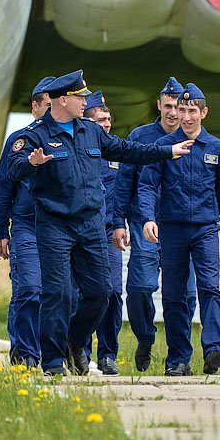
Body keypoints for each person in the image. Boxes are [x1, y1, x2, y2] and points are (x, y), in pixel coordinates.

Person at [6, 70, 193, 376]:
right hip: (54, 224)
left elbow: (127, 150)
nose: (85, 102)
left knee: (101, 293)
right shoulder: (36, 134)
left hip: (91, 224)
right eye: (80, 97)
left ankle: (75, 340)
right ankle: (53, 362)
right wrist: (31, 163)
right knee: (58, 293)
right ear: (63, 100)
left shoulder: (90, 131)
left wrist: (167, 151)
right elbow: (13, 169)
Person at [136, 83, 220, 376]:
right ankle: (178, 358)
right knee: (174, 295)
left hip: (206, 229)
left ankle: (214, 349)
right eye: (182, 110)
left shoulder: (217, 149)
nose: (186, 117)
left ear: (203, 113)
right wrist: (147, 218)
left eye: (192, 111)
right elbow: (146, 185)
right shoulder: (165, 147)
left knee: (209, 288)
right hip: (172, 229)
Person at [110, 77, 198, 372]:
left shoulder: (197, 139)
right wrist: (117, 221)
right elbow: (124, 183)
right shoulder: (141, 137)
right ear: (159, 105)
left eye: (180, 107)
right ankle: (145, 337)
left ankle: (179, 355)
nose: (174, 113)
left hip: (180, 225)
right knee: (138, 289)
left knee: (186, 295)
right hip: (143, 223)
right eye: (169, 106)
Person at [0, 76, 54, 368]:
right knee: (29, 290)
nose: (52, 112)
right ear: (35, 107)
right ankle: (26, 353)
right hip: (27, 223)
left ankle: (55, 351)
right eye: (47, 106)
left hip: (60, 226)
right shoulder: (20, 142)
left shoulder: (68, 138)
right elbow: (4, 188)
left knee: (62, 294)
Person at [83, 91, 124, 375]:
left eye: (108, 119)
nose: (107, 125)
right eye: (100, 121)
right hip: (82, 233)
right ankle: (80, 351)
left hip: (109, 234)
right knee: (82, 294)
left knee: (112, 292)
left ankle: (108, 354)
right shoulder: (80, 151)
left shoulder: (116, 154)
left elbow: (122, 194)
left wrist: (121, 224)